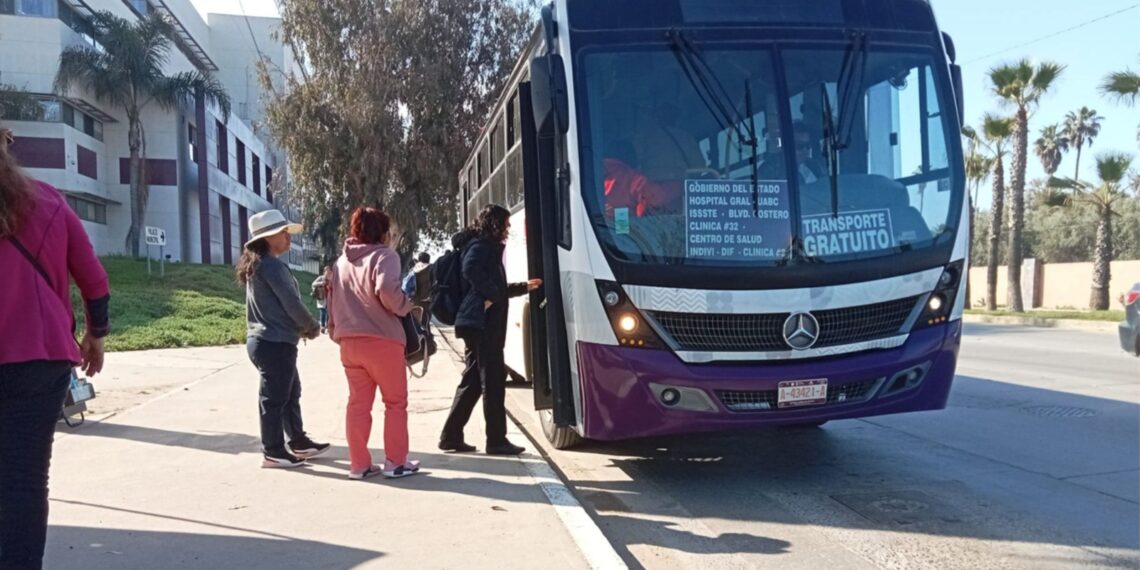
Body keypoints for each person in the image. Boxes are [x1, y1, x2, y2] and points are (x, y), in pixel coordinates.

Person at [0, 124, 110, 569]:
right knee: (24, 482)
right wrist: (95, 335)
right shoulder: (47, 200)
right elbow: (94, 280)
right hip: (39, 361)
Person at [326, 207, 420, 479]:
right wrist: (406, 306)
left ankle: (359, 464)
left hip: (349, 343)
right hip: (382, 341)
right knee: (395, 404)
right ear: (381, 232)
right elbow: (389, 293)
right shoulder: (385, 256)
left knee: (357, 404)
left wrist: (337, 332)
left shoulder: (341, 263)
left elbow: (332, 302)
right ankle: (396, 463)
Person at [440, 205, 542, 455]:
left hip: (476, 323)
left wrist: (522, 287)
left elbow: (491, 285)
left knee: (473, 381)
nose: (508, 229)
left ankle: (451, 436)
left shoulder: (482, 245)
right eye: (505, 224)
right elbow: (471, 270)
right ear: (494, 224)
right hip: (482, 325)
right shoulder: (481, 247)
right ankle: (496, 440)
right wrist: (493, 296)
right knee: (494, 383)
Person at [237, 209, 329, 469]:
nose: (288, 237)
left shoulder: (260, 264)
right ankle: (274, 450)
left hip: (268, 341)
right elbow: (291, 303)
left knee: (289, 392)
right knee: (275, 398)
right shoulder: (271, 266)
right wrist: (310, 326)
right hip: (274, 342)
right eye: (283, 233)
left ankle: (297, 441)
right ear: (267, 238)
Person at [312, 266, 330, 333]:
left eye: (329, 271)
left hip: (329, 298)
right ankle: (322, 326)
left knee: (329, 313)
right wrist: (321, 283)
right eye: (326, 271)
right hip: (322, 298)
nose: (327, 273)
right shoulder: (321, 278)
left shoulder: (331, 279)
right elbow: (313, 284)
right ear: (324, 272)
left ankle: (328, 327)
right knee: (323, 312)